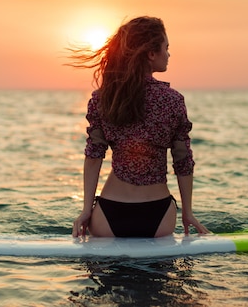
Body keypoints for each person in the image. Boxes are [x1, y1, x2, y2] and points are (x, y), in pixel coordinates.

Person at [68, 16, 209, 238]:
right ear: (151, 54)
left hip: (110, 212)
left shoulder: (103, 99)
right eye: (166, 48)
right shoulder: (173, 100)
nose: (169, 54)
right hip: (159, 213)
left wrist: (86, 210)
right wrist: (187, 213)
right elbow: (182, 160)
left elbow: (94, 155)